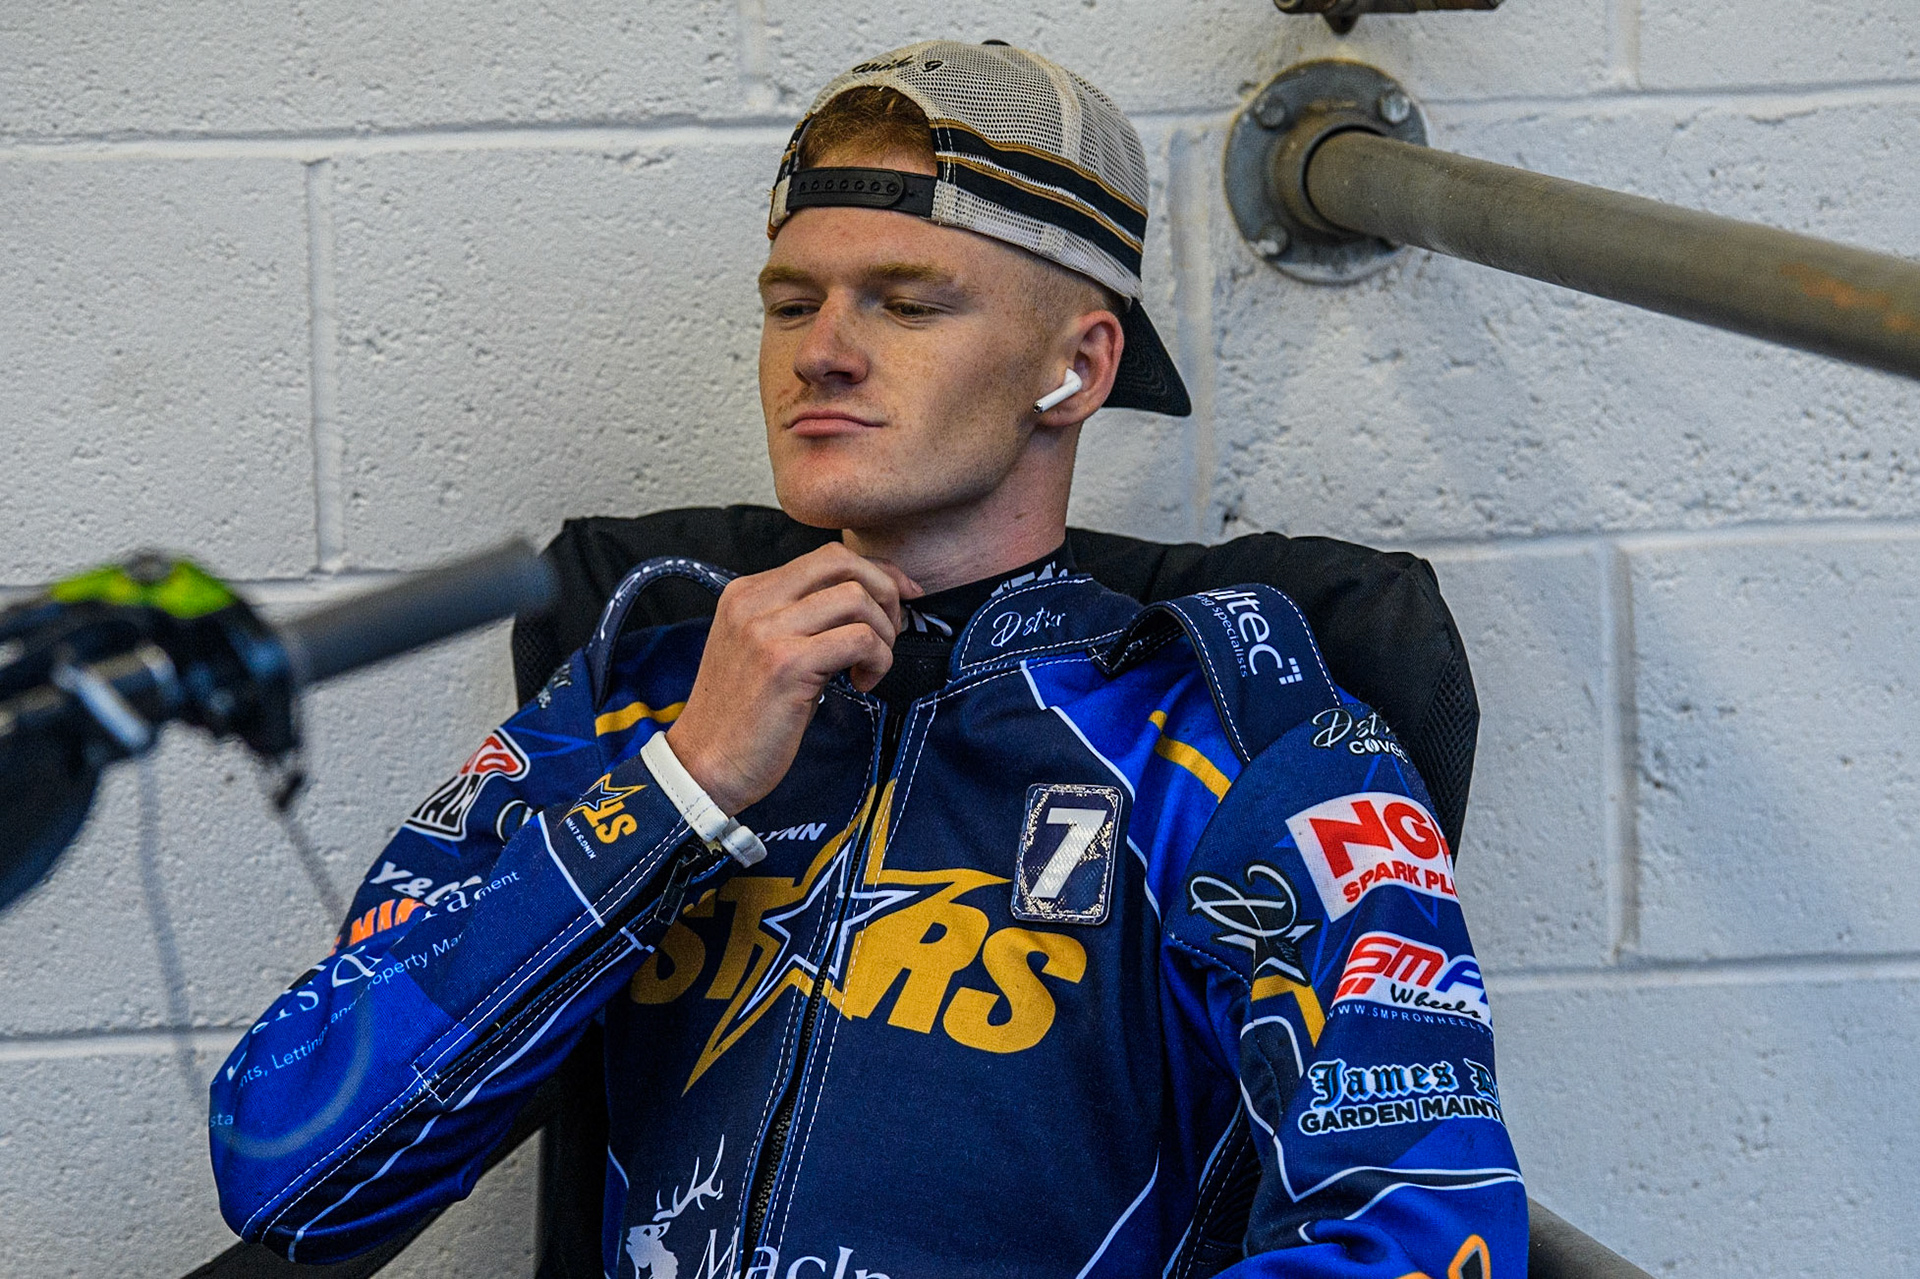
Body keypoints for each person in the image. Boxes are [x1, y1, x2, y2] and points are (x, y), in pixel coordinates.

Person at [210, 41, 1526, 1279]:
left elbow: (1423, 1232)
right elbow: (285, 1164)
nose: (822, 350)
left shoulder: (1249, 731)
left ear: (1076, 367)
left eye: (906, 301)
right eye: (793, 301)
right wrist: (679, 791)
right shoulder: (647, 685)